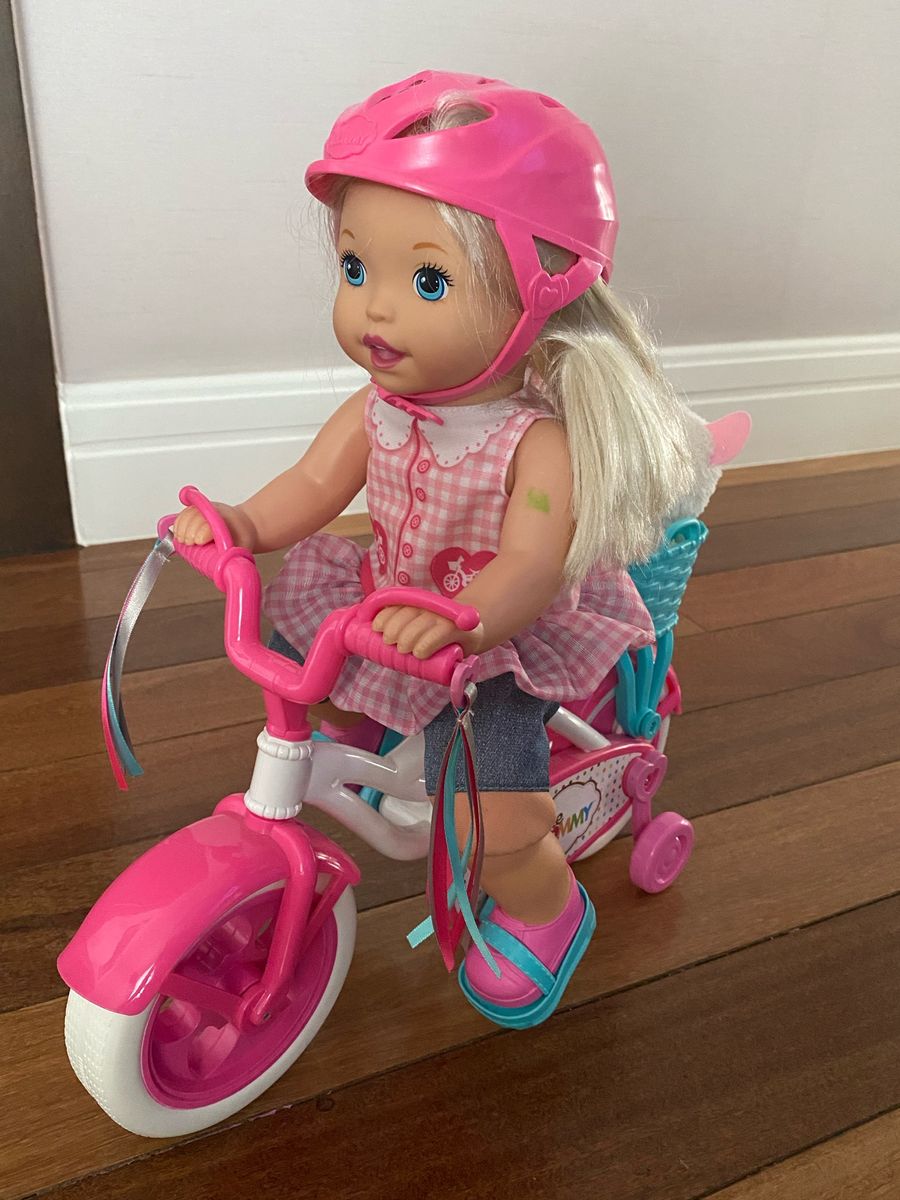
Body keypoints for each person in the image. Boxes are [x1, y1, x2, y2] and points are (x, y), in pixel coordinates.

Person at [173, 70, 714, 1027]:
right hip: (388, 610)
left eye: (428, 282)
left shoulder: (537, 441)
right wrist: (241, 525)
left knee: (491, 820)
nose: (374, 311)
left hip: (497, 642)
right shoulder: (378, 408)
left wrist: (466, 621)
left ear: (542, 294)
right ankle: (382, 738)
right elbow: (311, 485)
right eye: (355, 270)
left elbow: (531, 565)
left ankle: (545, 906)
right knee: (305, 662)